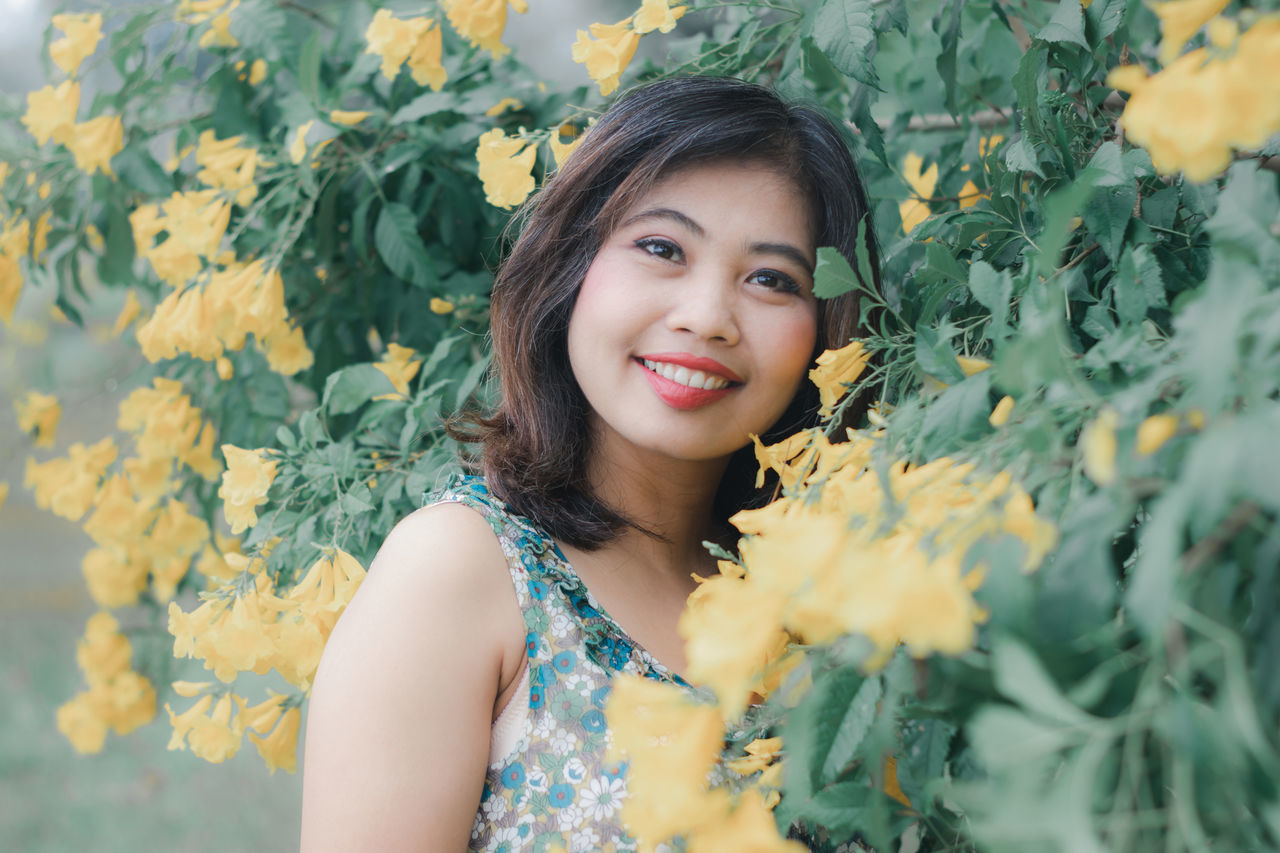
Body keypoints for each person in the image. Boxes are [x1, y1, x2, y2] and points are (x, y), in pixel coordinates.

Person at [299, 76, 880, 852]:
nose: (706, 316)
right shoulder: (461, 572)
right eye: (662, 248)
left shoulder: (824, 597)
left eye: (771, 279)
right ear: (571, 268)